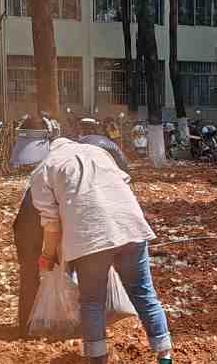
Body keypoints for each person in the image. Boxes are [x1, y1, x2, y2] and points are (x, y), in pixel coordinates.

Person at [30, 138, 176, 364]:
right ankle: (165, 360)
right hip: (130, 228)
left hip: (91, 239)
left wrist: (47, 255)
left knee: (92, 301)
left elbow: (51, 224)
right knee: (145, 295)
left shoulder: (44, 169)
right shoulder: (96, 152)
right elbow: (121, 184)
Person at [14, 128, 131, 333]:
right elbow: (52, 225)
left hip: (52, 222)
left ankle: (43, 322)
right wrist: (48, 255)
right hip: (34, 227)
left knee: (70, 268)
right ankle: (30, 325)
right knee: (37, 270)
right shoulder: (62, 171)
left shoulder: (75, 166)